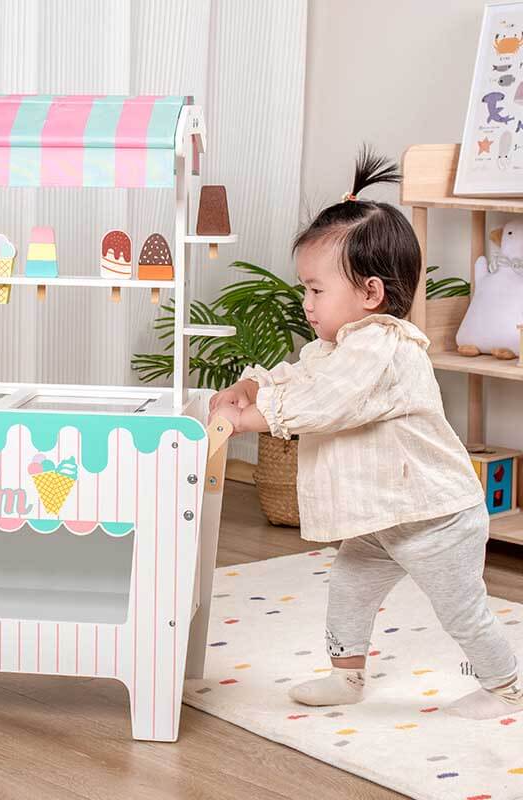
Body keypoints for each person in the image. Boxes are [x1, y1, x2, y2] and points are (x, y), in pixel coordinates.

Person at [209, 146, 522, 720]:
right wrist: (253, 387)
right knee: (350, 586)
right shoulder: (339, 347)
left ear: (371, 293)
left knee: (461, 610)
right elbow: (303, 375)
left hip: (435, 519)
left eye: (315, 290)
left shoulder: (383, 347)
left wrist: (253, 417)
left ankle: (505, 685)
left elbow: (326, 401)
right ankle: (347, 678)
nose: (305, 304)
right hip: (384, 516)